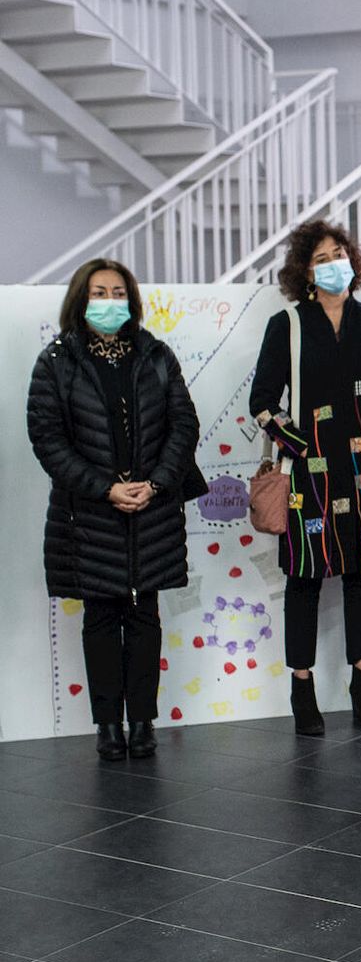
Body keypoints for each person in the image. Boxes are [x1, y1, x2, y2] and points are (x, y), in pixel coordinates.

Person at [28, 259, 200, 761]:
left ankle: (143, 722)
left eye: (118, 292)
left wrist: (158, 483)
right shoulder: (56, 361)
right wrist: (105, 488)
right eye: (99, 292)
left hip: (152, 509)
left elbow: (183, 424)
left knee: (145, 616)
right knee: (101, 617)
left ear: (132, 300)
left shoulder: (156, 355)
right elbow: (47, 438)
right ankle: (107, 725)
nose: (109, 301)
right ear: (81, 299)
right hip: (89, 515)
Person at [248, 219, 361, 735]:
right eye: (321, 258)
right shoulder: (288, 325)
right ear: (305, 271)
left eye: (338, 254)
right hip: (308, 472)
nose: (333, 264)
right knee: (304, 579)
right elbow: (262, 402)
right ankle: (302, 689)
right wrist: (298, 446)